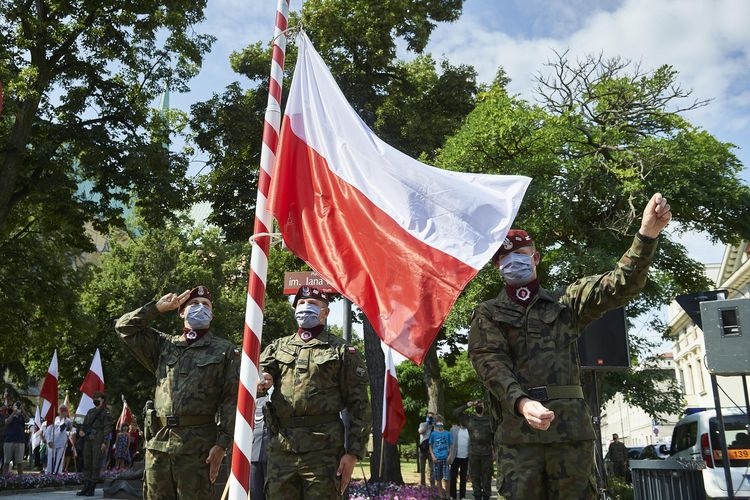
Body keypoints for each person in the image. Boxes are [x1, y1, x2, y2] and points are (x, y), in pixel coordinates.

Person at [468, 193, 672, 499]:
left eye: (521, 254)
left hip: (571, 435)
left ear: (535, 257)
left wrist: (646, 235)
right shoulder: (488, 313)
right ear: (497, 265)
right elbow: (491, 364)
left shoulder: (567, 302)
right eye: (504, 258)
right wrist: (522, 403)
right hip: (518, 440)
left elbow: (620, 283)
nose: (513, 261)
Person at [116, 285, 239, 500]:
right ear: (181, 312)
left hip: (198, 447)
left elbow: (232, 399)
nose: (199, 308)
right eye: (193, 304)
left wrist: (222, 444)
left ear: (212, 313)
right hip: (159, 443)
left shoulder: (225, 350)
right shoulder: (164, 345)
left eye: (205, 305)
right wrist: (155, 308)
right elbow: (124, 327)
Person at [257, 286, 372, 499]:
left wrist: (354, 453)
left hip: (323, 452)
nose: (305, 308)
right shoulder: (277, 347)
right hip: (282, 450)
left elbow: (360, 405)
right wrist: (261, 381)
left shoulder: (341, 350)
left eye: (313, 304)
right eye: (301, 303)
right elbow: (254, 382)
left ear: (326, 312)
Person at [453, 399, 494, 500]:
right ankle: (477, 497)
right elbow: (456, 413)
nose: (479, 405)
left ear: (485, 407)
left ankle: (486, 497)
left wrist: (495, 452)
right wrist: (468, 404)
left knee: (487, 477)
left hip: (487, 453)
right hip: (474, 453)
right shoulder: (469, 419)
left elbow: (495, 437)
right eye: (478, 403)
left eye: (481, 403)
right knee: (475, 477)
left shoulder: (490, 419)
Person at [76, 391, 114, 496]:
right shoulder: (90, 411)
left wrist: (105, 443)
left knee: (96, 463)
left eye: (98, 398)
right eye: (95, 398)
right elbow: (84, 424)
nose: (95, 400)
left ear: (102, 400)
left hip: (99, 439)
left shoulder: (106, 413)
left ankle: (92, 488)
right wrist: (81, 431)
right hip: (88, 440)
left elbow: (107, 428)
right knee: (87, 462)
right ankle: (86, 486)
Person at [250, 393, 271, 500]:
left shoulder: (276, 399)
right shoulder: (254, 400)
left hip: (272, 456)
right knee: (255, 492)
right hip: (253, 454)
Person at [44, 404, 72, 474]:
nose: (63, 412)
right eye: (62, 410)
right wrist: (49, 441)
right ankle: (49, 472)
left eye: (65, 410)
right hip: (52, 442)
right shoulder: (53, 419)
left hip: (62, 443)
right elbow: (48, 431)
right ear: (59, 411)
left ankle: (58, 472)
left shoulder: (68, 421)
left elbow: (70, 430)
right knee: (50, 459)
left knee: (60, 459)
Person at [429, 416, 452, 500]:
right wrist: (432, 455)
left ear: (443, 422)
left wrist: (450, 456)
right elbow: (430, 446)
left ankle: (448, 495)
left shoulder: (448, 433)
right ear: (435, 423)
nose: (439, 423)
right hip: (437, 459)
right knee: (438, 478)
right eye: (437, 421)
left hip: (446, 459)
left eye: (441, 421)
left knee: (447, 478)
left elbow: (451, 445)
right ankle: (441, 495)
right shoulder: (433, 434)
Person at [448, 415, 470, 500]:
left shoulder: (469, 431)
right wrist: (449, 454)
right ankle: (452, 495)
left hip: (466, 457)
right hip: (455, 457)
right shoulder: (453, 430)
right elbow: (450, 443)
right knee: (453, 477)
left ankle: (462, 496)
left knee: (463, 478)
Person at [3, 401, 26, 475]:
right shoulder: (8, 414)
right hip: (9, 440)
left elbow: (28, 420)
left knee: (19, 462)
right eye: (16, 406)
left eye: (18, 406)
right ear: (13, 407)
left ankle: (20, 480)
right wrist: (13, 413)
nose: (18, 408)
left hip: (20, 441)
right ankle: (5, 479)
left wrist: (23, 410)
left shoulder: (22, 416)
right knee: (6, 461)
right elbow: (7, 422)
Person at [417, 412, 435, 487]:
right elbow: (420, 431)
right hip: (423, 449)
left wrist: (433, 425)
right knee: (422, 469)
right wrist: (427, 424)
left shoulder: (435, 426)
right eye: (429, 417)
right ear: (426, 417)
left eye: (432, 417)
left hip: (431, 450)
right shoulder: (423, 424)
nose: (430, 419)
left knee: (432, 469)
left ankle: (432, 485)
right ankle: (422, 484)